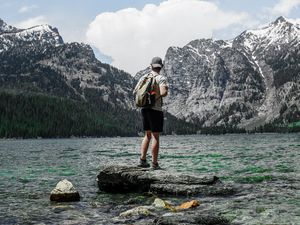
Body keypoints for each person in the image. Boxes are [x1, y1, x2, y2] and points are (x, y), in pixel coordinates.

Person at [134, 57, 168, 170]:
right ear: (161, 67)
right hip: (155, 110)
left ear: (151, 65)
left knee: (147, 135)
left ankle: (142, 160)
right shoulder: (161, 78)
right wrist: (163, 91)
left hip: (144, 109)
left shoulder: (143, 77)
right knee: (155, 136)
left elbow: (135, 92)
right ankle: (154, 164)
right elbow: (163, 93)